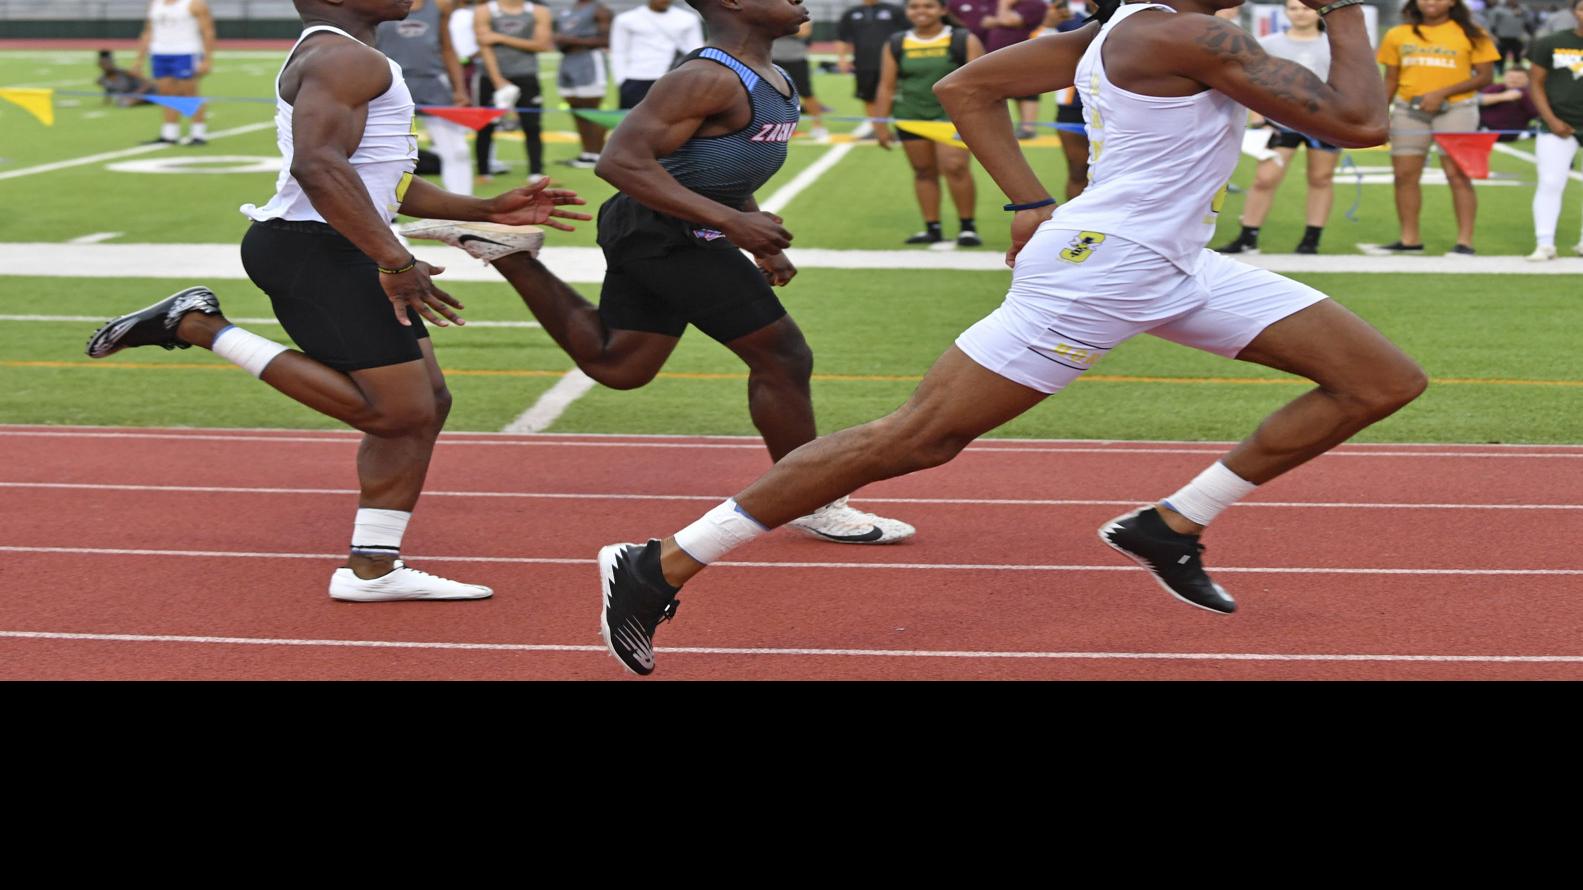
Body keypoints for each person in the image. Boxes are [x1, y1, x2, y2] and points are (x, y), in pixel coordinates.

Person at [594, 0, 1430, 677]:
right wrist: (1349, 10)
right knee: (917, 438)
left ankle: (1169, 526)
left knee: (1379, 379)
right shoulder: (1186, 32)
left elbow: (965, 88)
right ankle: (658, 564)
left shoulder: (1127, 28)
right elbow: (1358, 120)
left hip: (1170, 261)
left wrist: (1029, 202)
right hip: (1103, 272)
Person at [86, 0, 591, 602]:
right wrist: (396, 261)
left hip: (335, 243)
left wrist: (482, 208)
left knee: (426, 403)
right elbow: (319, 167)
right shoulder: (345, 59)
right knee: (398, 413)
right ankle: (198, 324)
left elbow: (380, 176)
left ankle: (373, 566)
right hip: (318, 250)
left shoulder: (353, 56)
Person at [406, 0, 917, 555]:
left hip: (672, 228)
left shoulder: (774, 75)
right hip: (661, 232)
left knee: (620, 365)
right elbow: (619, 161)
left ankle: (508, 253)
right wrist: (732, 225)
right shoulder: (704, 77)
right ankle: (810, 499)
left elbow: (711, 166)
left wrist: (749, 233)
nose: (798, 1)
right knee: (783, 355)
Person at [1216, 0, 1340, 255]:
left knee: (1320, 178)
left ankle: (1311, 239)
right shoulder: (1270, 43)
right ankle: (1247, 237)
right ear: (1286, 12)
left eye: (1304, 8)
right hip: (1280, 122)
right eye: (1293, 8)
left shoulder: (1333, 45)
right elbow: (1254, 83)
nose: (1299, 13)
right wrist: (1258, 117)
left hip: (1324, 122)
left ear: (1316, 11)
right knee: (1265, 179)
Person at [1376, 0, 1499, 256]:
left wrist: (1442, 93)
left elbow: (1485, 77)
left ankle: (1465, 241)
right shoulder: (1397, 34)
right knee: (1404, 176)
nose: (1431, 1)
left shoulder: (1473, 32)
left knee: (1458, 175)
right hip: (1409, 110)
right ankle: (1410, 239)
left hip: (1456, 109)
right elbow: (1391, 79)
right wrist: (1379, 116)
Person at [875, 0, 985, 245]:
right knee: (923, 171)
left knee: (955, 167)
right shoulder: (897, 42)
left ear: (943, 10)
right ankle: (932, 227)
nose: (921, 11)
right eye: (914, 7)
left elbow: (980, 81)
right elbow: (887, 84)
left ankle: (968, 228)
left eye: (928, 6)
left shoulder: (963, 39)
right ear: (907, 11)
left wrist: (980, 119)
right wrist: (880, 124)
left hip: (953, 118)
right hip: (911, 116)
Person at [376, 0, 475, 196]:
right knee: (387, 154)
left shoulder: (440, 5)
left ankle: (464, 211)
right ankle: (390, 217)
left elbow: (447, 48)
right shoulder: (376, 4)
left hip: (433, 85)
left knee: (458, 151)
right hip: (389, 84)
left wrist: (460, 89)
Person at [1525, 0, 1583, 259]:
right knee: (1550, 181)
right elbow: (1535, 83)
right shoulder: (1550, 42)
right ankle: (1545, 242)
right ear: (1574, 12)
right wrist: (1550, 118)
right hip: (1558, 123)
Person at [476, 0, 552, 179]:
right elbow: (484, 44)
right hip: (491, 77)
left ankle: (536, 172)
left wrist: (500, 37)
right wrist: (497, 80)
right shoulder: (485, 11)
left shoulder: (538, 11)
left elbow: (542, 44)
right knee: (485, 125)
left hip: (526, 75)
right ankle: (483, 173)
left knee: (532, 124)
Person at [133, 0, 216, 145]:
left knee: (189, 94)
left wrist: (207, 59)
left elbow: (208, 31)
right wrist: (139, 59)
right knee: (166, 94)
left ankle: (198, 134)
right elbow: (148, 31)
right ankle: (169, 134)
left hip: (186, 52)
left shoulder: (194, 4)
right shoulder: (155, 4)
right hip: (159, 53)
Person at [610, 0, 705, 109]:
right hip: (635, 79)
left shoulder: (688, 19)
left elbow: (695, 49)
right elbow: (619, 51)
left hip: (673, 78)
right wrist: (621, 80)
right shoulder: (626, 19)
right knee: (634, 121)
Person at [837, 0, 908, 136]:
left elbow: (908, 33)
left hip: (893, 63)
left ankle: (901, 127)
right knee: (868, 97)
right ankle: (877, 129)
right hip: (863, 63)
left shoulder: (895, 11)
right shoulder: (851, 13)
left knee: (896, 96)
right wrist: (842, 58)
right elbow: (842, 37)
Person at [555, 0, 614, 168]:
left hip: (589, 60)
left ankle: (597, 154)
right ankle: (586, 154)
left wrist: (570, 40)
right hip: (567, 60)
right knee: (575, 108)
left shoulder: (600, 10)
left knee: (591, 109)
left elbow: (606, 40)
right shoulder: (568, 10)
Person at [982, 0, 1050, 139]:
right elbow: (985, 22)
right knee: (995, 91)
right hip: (995, 56)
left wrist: (1004, 6)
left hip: (1024, 54)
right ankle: (996, 127)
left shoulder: (1035, 4)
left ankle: (1028, 127)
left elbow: (1010, 21)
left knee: (1027, 90)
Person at [773, 19, 830, 139]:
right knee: (774, 95)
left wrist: (778, 27)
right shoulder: (770, 11)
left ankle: (818, 126)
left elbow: (804, 32)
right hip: (773, 58)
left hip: (797, 58)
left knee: (807, 93)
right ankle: (781, 127)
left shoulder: (798, 12)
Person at [1477, 65, 1539, 138]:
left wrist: (1524, 97)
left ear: (1527, 80)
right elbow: (1477, 100)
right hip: (1484, 127)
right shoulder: (1495, 88)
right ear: (1504, 77)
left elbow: (1537, 113)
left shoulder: (1531, 94)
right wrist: (1503, 97)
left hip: (1512, 131)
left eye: (1519, 78)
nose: (1514, 80)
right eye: (1511, 77)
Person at [1486, 0, 1530, 72]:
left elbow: (1528, 22)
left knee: (1517, 57)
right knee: (1500, 56)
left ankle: (1518, 73)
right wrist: (1493, 35)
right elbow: (1492, 24)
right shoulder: (1498, 9)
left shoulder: (1523, 9)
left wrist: (1528, 34)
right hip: (1502, 37)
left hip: (1517, 37)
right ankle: (1499, 72)